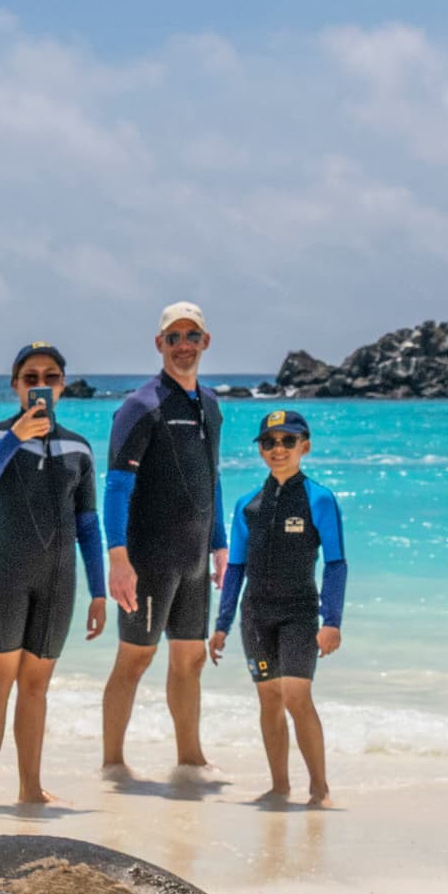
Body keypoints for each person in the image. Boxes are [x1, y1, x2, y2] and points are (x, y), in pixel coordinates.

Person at [0, 339, 105, 806]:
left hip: (59, 581)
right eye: (31, 378)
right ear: (15, 386)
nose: (41, 386)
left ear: (62, 385)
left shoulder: (78, 448)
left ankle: (29, 787)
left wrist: (99, 591)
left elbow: (88, 523)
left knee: (37, 687)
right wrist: (14, 438)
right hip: (5, 574)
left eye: (50, 378)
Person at [102, 300, 226, 775]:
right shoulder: (141, 407)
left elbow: (210, 478)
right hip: (149, 557)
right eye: (172, 338)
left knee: (190, 660)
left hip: (194, 560)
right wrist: (118, 557)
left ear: (204, 342)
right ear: (159, 344)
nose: (182, 346)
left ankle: (189, 757)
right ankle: (113, 762)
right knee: (135, 660)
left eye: (191, 336)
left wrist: (218, 544)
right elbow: (116, 486)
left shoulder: (210, 405)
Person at [209, 408, 349, 806]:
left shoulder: (319, 499)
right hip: (256, 615)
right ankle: (279, 786)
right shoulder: (248, 505)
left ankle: (319, 788)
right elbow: (235, 568)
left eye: (288, 441)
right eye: (269, 442)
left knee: (295, 695)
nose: (278, 448)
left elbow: (336, 563)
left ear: (304, 446)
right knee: (269, 698)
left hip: (299, 612)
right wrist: (221, 624)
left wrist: (332, 620)